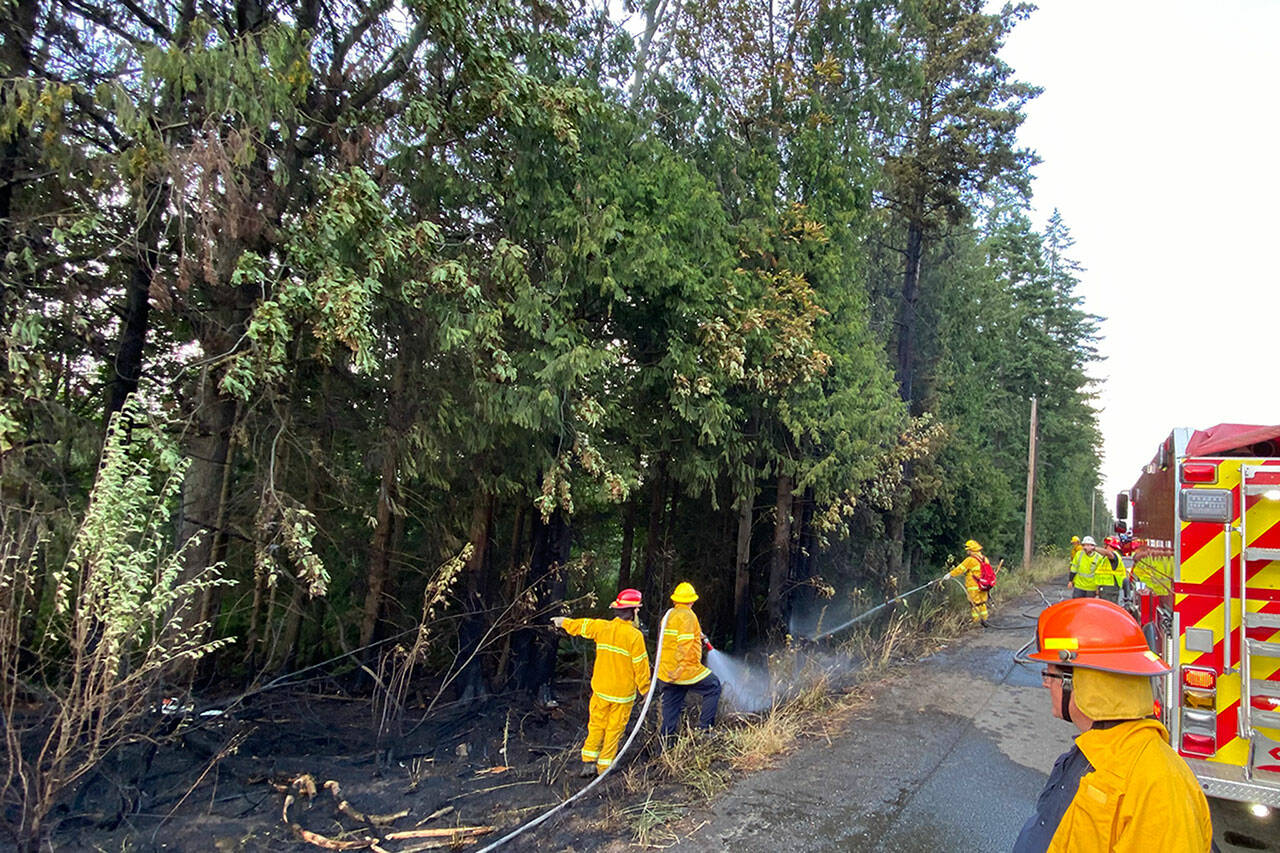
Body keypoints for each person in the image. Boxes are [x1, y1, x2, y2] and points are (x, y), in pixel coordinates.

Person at [1013, 598, 1212, 852]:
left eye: (1049, 674)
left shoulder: (1160, 787)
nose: (1045, 684)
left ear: (1085, 682)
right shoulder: (1094, 752)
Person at [551, 588, 651, 776]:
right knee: (614, 730)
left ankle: (588, 762)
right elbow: (641, 667)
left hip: (601, 690)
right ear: (634, 611)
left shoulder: (602, 627)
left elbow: (582, 626)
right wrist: (646, 690)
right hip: (622, 695)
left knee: (596, 725)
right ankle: (604, 767)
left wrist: (563, 622)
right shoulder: (634, 637)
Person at [657, 581, 722, 737]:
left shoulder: (668, 615)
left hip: (666, 672)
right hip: (683, 669)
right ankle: (704, 729)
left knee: (670, 711)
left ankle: (666, 746)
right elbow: (684, 645)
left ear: (675, 600)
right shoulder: (688, 616)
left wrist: (697, 635)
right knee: (713, 686)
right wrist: (681, 669)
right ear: (692, 601)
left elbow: (670, 641)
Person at [945, 539, 991, 627]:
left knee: (974, 604)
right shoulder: (985, 559)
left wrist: (950, 574)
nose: (967, 552)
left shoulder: (970, 560)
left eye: (968, 550)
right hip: (984, 586)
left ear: (971, 550)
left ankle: (976, 622)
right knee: (982, 603)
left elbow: (960, 569)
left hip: (974, 586)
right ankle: (985, 619)